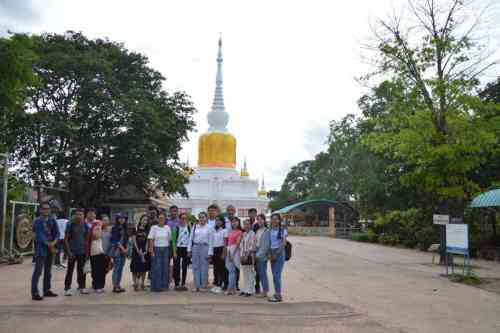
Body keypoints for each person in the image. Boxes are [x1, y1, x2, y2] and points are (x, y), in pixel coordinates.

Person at [31, 202, 59, 301]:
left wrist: (54, 242)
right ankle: (35, 292)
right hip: (41, 249)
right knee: (38, 271)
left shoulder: (52, 220)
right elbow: (39, 236)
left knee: (48, 271)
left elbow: (57, 233)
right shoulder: (37, 221)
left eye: (48, 208)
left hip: (50, 248)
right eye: (44, 208)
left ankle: (47, 290)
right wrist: (49, 244)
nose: (46, 210)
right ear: (40, 210)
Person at [148, 212, 176, 292]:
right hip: (156, 249)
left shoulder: (167, 227)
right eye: (160, 218)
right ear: (157, 219)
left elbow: (170, 240)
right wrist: (152, 251)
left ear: (165, 219)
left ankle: (164, 286)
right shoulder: (154, 227)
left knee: (165, 268)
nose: (161, 219)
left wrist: (172, 251)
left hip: (166, 249)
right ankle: (156, 287)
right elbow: (151, 240)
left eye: (163, 218)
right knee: (157, 268)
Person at [188, 212, 213, 292]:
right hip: (195, 247)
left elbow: (211, 241)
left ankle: (203, 285)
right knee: (195, 266)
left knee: (204, 267)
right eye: (200, 217)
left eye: (203, 217)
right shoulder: (195, 227)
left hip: (205, 247)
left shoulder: (209, 228)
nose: (201, 219)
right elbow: (191, 238)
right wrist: (189, 250)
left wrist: (210, 253)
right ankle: (197, 285)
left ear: (206, 218)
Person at [268, 213, 288, 302]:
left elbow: (284, 243)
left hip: (279, 253)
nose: (274, 220)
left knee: (276, 275)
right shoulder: (270, 230)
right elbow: (269, 242)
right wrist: (270, 253)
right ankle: (276, 293)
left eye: (276, 219)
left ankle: (278, 295)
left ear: (279, 220)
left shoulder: (283, 229)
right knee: (274, 275)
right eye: (273, 219)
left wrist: (277, 253)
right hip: (272, 253)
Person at [130, 219, 151, 291]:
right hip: (136, 251)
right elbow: (134, 240)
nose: (145, 221)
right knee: (135, 268)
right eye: (144, 220)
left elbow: (148, 241)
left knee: (143, 268)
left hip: (144, 251)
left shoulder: (147, 230)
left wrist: (146, 250)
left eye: (146, 220)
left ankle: (142, 284)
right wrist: (137, 250)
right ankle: (135, 283)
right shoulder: (135, 228)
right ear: (141, 220)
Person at [110, 213, 128, 293]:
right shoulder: (115, 228)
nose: (122, 219)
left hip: (123, 251)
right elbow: (115, 240)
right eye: (120, 218)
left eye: (123, 218)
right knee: (116, 269)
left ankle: (118, 285)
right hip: (117, 251)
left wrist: (126, 249)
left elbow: (127, 239)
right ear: (117, 219)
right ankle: (115, 286)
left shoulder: (125, 228)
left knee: (120, 269)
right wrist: (123, 248)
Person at [224, 216, 242, 296]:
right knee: (231, 271)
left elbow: (238, 244)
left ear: (238, 223)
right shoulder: (230, 231)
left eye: (236, 221)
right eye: (233, 222)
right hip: (229, 250)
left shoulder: (239, 232)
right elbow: (228, 243)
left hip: (235, 251)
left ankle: (229, 289)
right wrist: (228, 253)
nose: (234, 223)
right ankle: (233, 289)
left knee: (232, 271)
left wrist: (233, 254)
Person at [210, 214, 227, 294]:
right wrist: (210, 253)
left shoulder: (224, 230)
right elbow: (211, 242)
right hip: (214, 250)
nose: (217, 222)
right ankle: (216, 284)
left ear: (222, 222)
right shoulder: (213, 230)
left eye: (219, 220)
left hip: (221, 250)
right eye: (216, 220)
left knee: (221, 269)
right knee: (215, 268)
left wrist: (223, 253)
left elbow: (225, 243)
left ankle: (220, 285)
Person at [255, 213, 270, 298]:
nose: (259, 221)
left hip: (262, 254)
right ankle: (264, 290)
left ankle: (265, 291)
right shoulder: (258, 230)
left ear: (264, 220)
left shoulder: (266, 231)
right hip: (257, 252)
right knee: (260, 273)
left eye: (261, 219)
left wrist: (258, 255)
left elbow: (266, 246)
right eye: (258, 219)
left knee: (263, 273)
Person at [173, 212, 191, 291]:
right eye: (182, 218)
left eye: (185, 218)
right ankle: (177, 284)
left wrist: (189, 251)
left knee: (184, 267)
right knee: (176, 267)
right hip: (178, 248)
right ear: (179, 219)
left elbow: (191, 240)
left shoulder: (189, 227)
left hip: (186, 249)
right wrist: (174, 251)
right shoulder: (176, 228)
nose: (183, 220)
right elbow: (173, 241)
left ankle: (183, 283)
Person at [240, 219, 257, 297]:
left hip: (250, 256)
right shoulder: (243, 234)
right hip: (243, 255)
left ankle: (250, 291)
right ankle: (245, 289)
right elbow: (241, 245)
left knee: (250, 273)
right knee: (245, 273)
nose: (246, 226)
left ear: (250, 225)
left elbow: (252, 246)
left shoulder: (253, 234)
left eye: (248, 224)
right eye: (245, 224)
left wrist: (247, 254)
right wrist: (242, 255)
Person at [89, 222, 106, 293]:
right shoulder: (91, 239)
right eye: (96, 229)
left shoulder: (101, 238)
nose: (98, 231)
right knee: (95, 271)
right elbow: (96, 236)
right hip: (94, 254)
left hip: (101, 254)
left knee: (102, 271)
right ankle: (96, 286)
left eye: (99, 228)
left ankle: (101, 286)